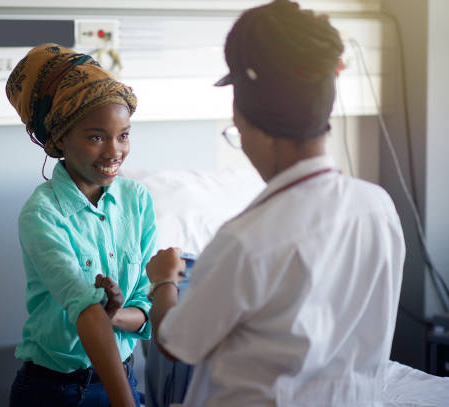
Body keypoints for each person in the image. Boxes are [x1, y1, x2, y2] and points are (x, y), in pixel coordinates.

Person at [145, 1, 449, 406]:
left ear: (249, 119)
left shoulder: (246, 241)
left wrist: (163, 281)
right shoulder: (377, 207)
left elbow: (175, 344)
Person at [5, 43, 156, 407]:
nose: (114, 151)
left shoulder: (137, 201)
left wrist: (115, 315)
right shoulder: (42, 214)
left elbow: (146, 312)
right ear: (59, 139)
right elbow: (85, 309)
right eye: (95, 137)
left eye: (123, 135)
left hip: (123, 377)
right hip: (54, 390)